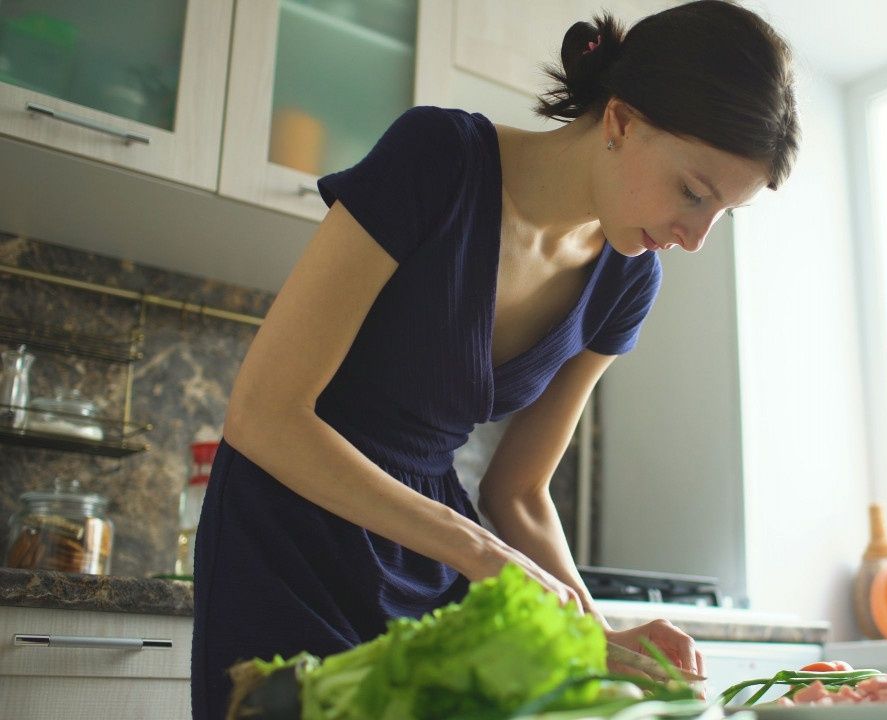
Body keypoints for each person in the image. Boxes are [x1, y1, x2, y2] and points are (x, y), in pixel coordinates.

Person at [190, 1, 799, 717]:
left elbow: (519, 492)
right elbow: (263, 414)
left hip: (429, 565)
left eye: (722, 213)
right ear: (620, 121)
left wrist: (599, 636)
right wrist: (478, 552)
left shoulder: (628, 279)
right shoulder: (437, 157)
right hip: (287, 541)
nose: (695, 237)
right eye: (693, 193)